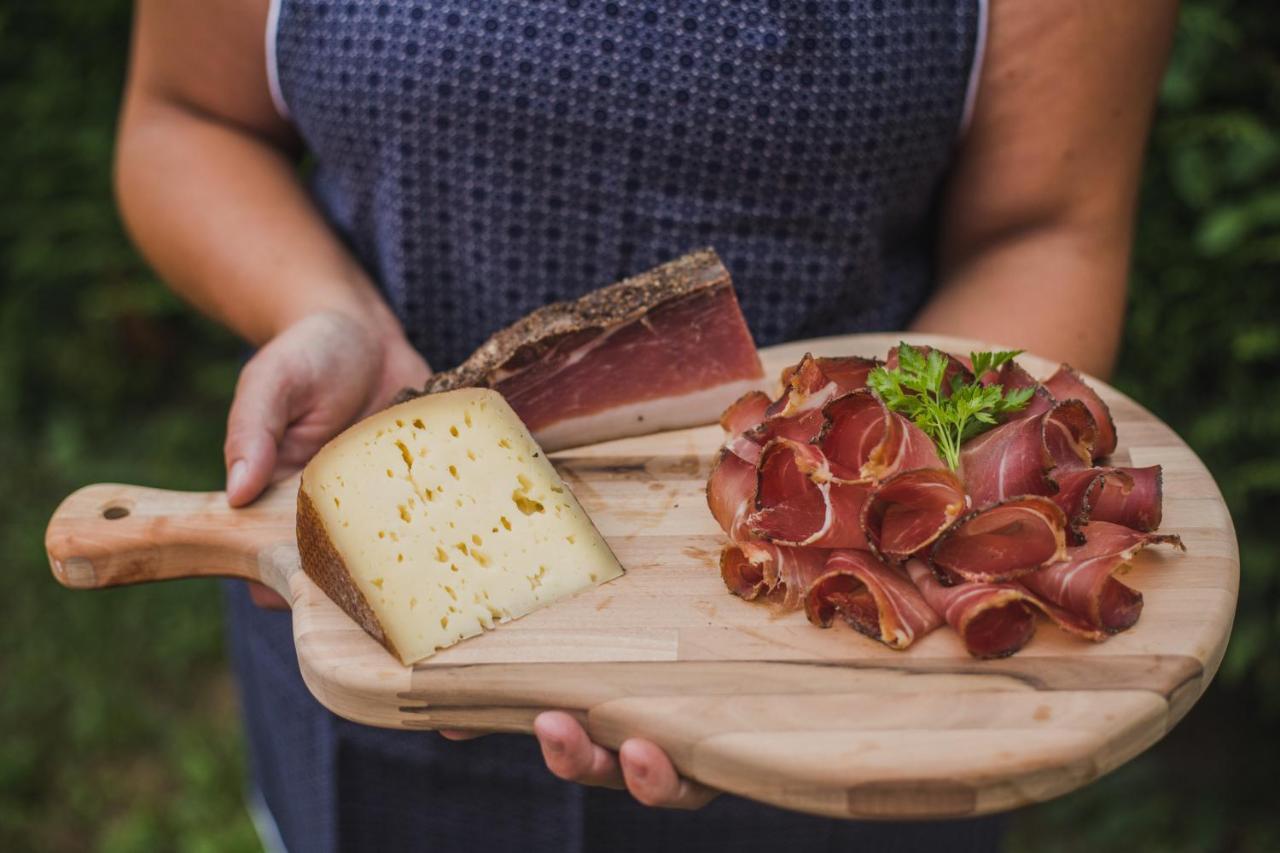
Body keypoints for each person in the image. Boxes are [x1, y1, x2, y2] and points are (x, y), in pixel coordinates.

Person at [114, 1, 1176, 850]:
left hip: (843, 670)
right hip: (385, 600)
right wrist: (324, 310)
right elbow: (184, 118)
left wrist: (897, 507)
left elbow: (1048, 227)